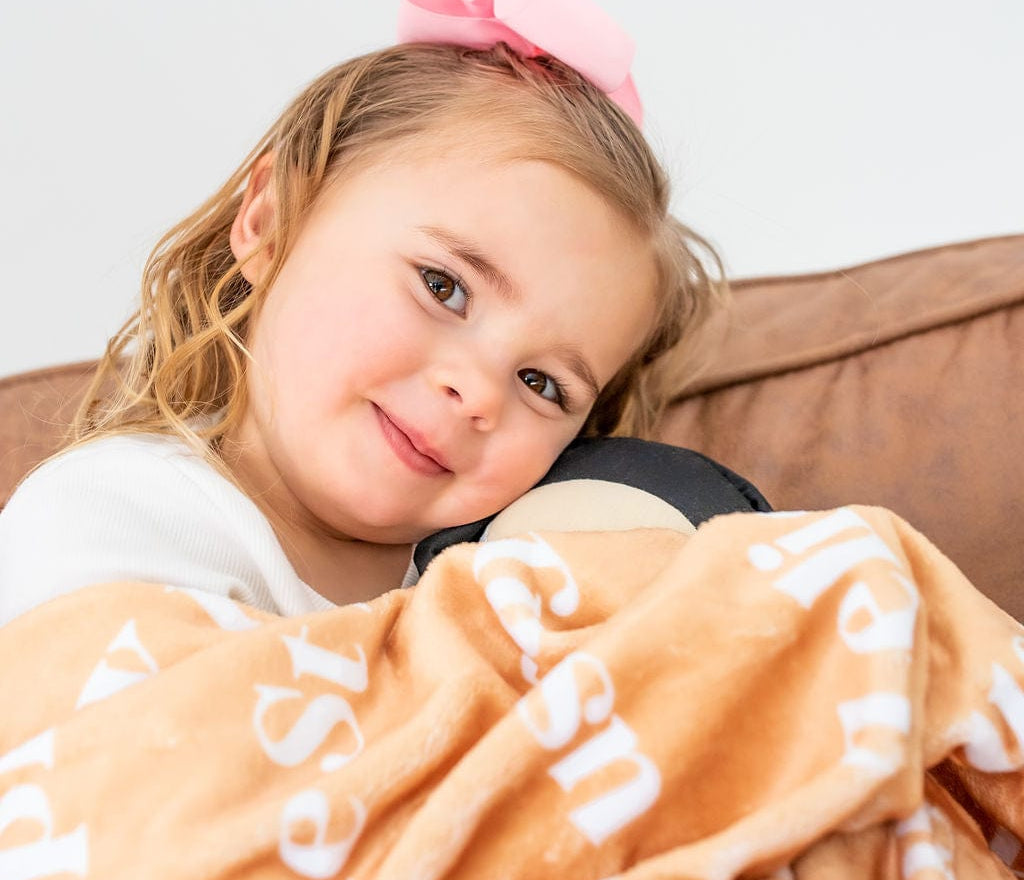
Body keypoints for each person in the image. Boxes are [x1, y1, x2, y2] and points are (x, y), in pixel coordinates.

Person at [0, 0, 722, 625]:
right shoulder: (115, 513)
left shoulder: (508, 581)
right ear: (272, 221)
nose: (477, 393)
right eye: (444, 287)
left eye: (542, 384)